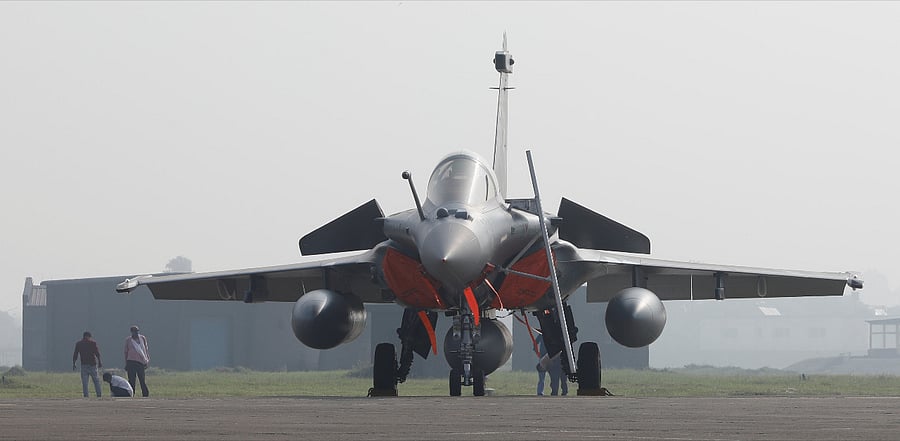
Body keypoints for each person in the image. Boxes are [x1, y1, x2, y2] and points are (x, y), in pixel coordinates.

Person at [72, 331, 102, 397]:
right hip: (92, 365)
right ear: (89, 336)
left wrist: (74, 363)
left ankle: (86, 396)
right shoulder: (93, 343)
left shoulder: (79, 344)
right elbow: (97, 353)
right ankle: (99, 395)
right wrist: (100, 361)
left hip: (84, 365)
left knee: (85, 383)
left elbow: (75, 354)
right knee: (96, 381)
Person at [124, 325, 150, 397]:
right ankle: (131, 393)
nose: (135, 333)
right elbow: (126, 352)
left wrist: (147, 360)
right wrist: (126, 363)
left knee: (142, 379)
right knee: (131, 379)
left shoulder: (142, 338)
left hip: (140, 362)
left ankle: (145, 394)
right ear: (131, 332)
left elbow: (145, 349)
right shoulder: (128, 340)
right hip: (131, 361)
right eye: (134, 331)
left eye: (137, 331)